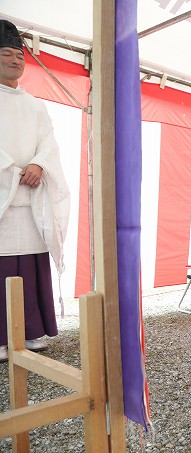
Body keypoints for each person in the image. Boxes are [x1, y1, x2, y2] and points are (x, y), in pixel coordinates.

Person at [0, 20, 70, 362]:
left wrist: (39, 165)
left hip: (31, 196)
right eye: (7, 54)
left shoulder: (36, 104)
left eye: (19, 55)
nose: (15, 60)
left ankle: (32, 331)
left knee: (30, 262)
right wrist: (11, 171)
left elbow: (49, 143)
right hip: (5, 192)